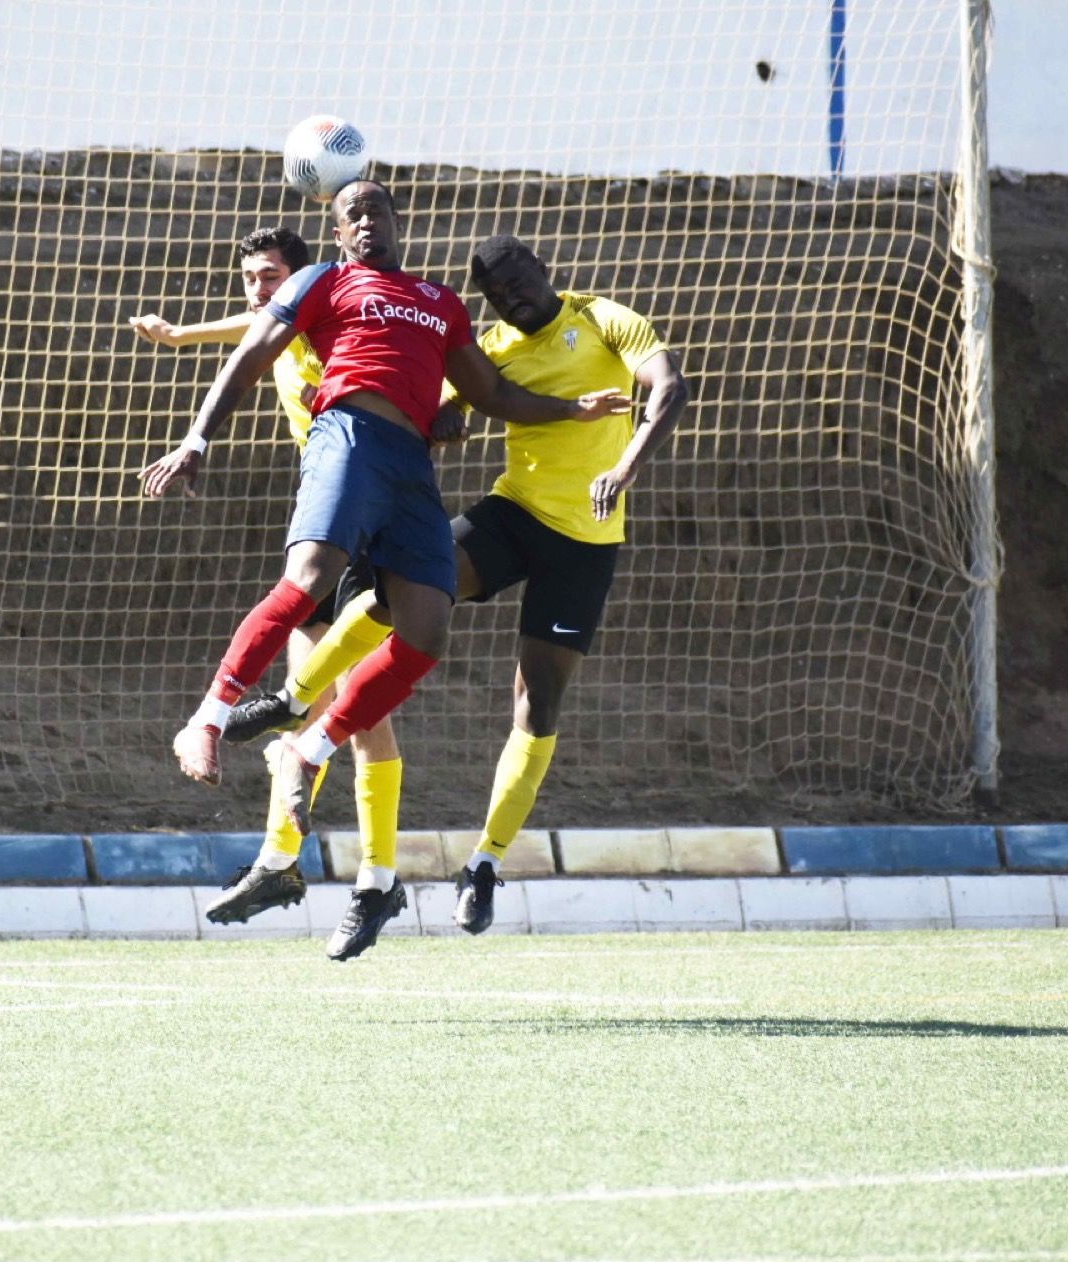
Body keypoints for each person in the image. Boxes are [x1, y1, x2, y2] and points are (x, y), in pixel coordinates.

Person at [140, 181, 629, 959]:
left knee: (426, 632)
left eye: (377, 211)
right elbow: (251, 348)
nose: (367, 223)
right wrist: (198, 436)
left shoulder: (440, 303)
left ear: (400, 224)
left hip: (411, 470)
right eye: (352, 215)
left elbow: (491, 390)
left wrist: (570, 413)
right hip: (347, 441)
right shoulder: (324, 283)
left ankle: (310, 761)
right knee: (307, 580)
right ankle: (208, 722)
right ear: (337, 234)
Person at [227, 235, 689, 934]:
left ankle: (483, 864)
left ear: (544, 268)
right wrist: (449, 419)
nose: (511, 295)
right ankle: (292, 703)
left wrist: (625, 466)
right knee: (395, 598)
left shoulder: (600, 318)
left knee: (538, 703)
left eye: (518, 279)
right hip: (514, 514)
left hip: (586, 543)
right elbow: (461, 398)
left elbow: (669, 384)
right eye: (497, 292)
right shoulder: (493, 343)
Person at [128, 228, 409, 929]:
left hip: (367, 513)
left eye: (272, 276)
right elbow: (253, 319)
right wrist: (181, 336)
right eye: (251, 277)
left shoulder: (333, 317)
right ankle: (278, 865)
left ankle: (378, 878)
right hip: (325, 511)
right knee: (305, 706)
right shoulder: (277, 312)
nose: (260, 290)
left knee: (364, 714)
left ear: (304, 275)